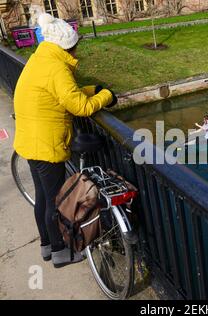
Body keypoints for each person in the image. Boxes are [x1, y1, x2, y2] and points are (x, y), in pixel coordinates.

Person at [13, 13, 117, 268]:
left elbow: (62, 94)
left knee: (42, 197)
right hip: (46, 145)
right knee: (56, 202)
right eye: (76, 45)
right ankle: (60, 252)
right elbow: (80, 107)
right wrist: (106, 96)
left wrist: (92, 89)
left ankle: (46, 246)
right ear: (68, 46)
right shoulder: (57, 67)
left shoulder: (41, 59)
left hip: (29, 140)